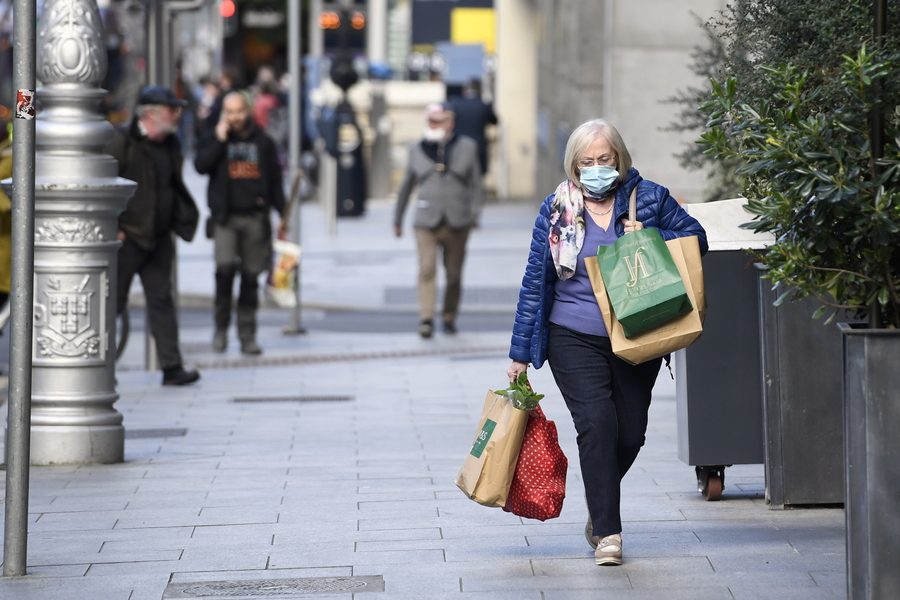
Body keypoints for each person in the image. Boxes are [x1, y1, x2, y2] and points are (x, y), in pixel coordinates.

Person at [506, 118, 708, 566]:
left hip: (638, 332)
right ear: (574, 166)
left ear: (620, 159)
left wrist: (655, 236)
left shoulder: (649, 197)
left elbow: (698, 238)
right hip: (571, 334)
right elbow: (535, 280)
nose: (597, 168)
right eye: (587, 162)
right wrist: (520, 352)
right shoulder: (556, 208)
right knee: (596, 425)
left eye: (605, 159)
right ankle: (609, 533)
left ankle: (600, 504)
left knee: (630, 433)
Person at [107, 85, 200, 386]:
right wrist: (115, 228)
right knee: (113, 303)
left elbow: (173, 184)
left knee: (161, 300)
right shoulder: (123, 141)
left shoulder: (171, 143)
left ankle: (171, 366)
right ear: (151, 114)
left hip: (159, 236)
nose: (177, 114)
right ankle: (101, 368)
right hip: (128, 237)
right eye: (171, 109)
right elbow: (107, 187)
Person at [194, 91, 286, 356]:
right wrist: (219, 141)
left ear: (248, 111)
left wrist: (282, 215)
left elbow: (275, 182)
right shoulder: (216, 138)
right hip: (225, 218)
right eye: (229, 112)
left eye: (238, 111)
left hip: (255, 217)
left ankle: (247, 334)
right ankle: (220, 329)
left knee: (250, 279)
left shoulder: (263, 143)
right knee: (224, 273)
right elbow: (201, 166)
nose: (234, 117)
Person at [394, 102, 483, 339]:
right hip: (425, 220)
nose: (432, 125)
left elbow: (476, 184)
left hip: (458, 220)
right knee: (426, 268)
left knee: (453, 274)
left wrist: (475, 214)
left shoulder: (467, 147)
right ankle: (426, 318)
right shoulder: (417, 149)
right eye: (429, 121)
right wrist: (397, 219)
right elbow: (406, 186)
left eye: (437, 121)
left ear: (449, 123)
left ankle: (449, 316)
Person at [449, 79, 498, 175]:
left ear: (465, 90)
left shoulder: (455, 104)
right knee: (477, 177)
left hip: (458, 147)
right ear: (480, 91)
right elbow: (495, 121)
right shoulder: (484, 106)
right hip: (478, 148)